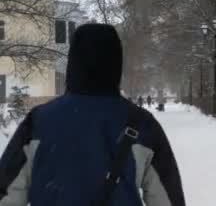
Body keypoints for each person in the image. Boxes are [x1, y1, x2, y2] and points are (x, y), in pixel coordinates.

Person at [0, 24, 186, 206]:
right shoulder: (142, 125)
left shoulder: (38, 122)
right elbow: (167, 199)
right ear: (116, 64)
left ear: (73, 64)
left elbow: (7, 193)